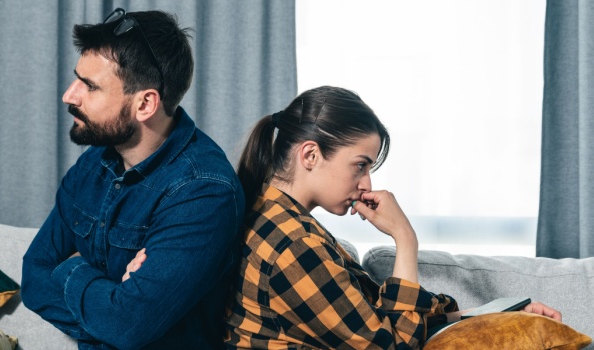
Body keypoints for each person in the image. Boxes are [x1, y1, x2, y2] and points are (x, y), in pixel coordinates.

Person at [224, 86, 561, 349]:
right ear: (310, 155)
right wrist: (404, 237)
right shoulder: (293, 246)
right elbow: (393, 344)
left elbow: (381, 320)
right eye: (360, 165)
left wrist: (498, 317)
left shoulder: (280, 219)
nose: (367, 183)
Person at [21, 8, 245, 350]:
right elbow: (33, 275)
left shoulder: (203, 190)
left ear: (145, 105)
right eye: (77, 78)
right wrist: (111, 305)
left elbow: (127, 326)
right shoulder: (92, 164)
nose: (69, 95)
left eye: (90, 86)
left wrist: (72, 268)